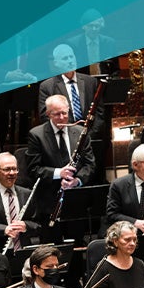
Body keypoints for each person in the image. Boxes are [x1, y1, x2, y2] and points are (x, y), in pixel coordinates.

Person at [26, 94, 95, 238]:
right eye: (57, 114)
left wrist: (77, 181)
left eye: (65, 113)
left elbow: (90, 164)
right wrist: (59, 173)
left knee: (77, 245)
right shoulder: (36, 135)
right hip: (49, 203)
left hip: (75, 201)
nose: (62, 117)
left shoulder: (80, 132)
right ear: (48, 114)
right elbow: (33, 169)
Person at [38, 44, 105, 141]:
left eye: (71, 57)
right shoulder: (47, 86)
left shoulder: (90, 82)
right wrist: (67, 134)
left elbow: (99, 112)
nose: (70, 61)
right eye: (65, 58)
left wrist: (90, 135)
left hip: (90, 137)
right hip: (63, 138)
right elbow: (45, 116)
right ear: (56, 63)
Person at [66, 8, 119, 77]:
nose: (94, 29)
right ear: (83, 26)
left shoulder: (110, 42)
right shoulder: (73, 43)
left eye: (97, 26)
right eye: (91, 26)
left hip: (104, 80)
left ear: (101, 26)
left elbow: (116, 69)